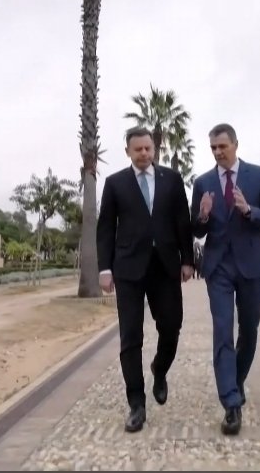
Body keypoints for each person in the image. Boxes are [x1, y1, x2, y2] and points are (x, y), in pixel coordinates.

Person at [97, 127, 194, 433]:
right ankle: (136, 404)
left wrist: (188, 260)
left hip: (165, 266)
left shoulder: (172, 180)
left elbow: (182, 221)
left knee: (171, 326)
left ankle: (160, 368)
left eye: (148, 149)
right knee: (130, 336)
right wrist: (104, 268)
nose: (143, 154)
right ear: (128, 151)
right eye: (137, 149)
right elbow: (104, 229)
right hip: (128, 268)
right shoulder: (115, 184)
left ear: (155, 149)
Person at [190, 123, 260, 436]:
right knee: (222, 329)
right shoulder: (202, 182)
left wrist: (248, 210)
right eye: (213, 148)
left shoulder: (259, 176)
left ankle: (236, 381)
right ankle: (230, 402)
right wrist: (201, 216)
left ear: (235, 145)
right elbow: (196, 230)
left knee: (249, 329)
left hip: (253, 265)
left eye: (222, 146)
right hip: (219, 269)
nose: (217, 152)